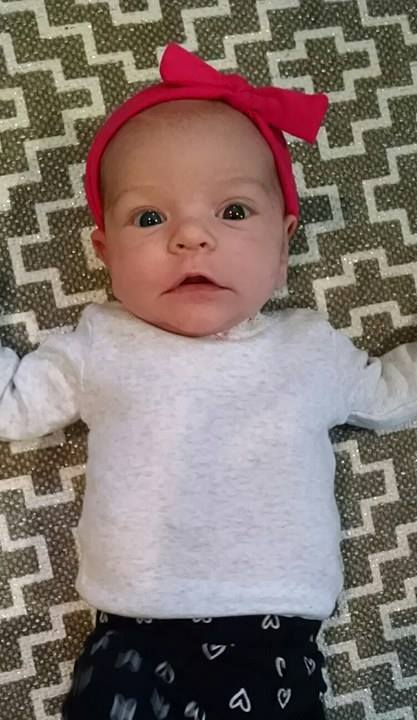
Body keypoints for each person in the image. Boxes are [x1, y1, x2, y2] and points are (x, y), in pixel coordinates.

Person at [1, 43, 416, 720]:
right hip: (129, 634)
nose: (191, 237)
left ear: (283, 246)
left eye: (233, 212)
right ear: (105, 251)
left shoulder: (310, 348)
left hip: (274, 634)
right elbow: (12, 407)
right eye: (149, 218)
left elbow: (393, 394)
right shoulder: (99, 343)